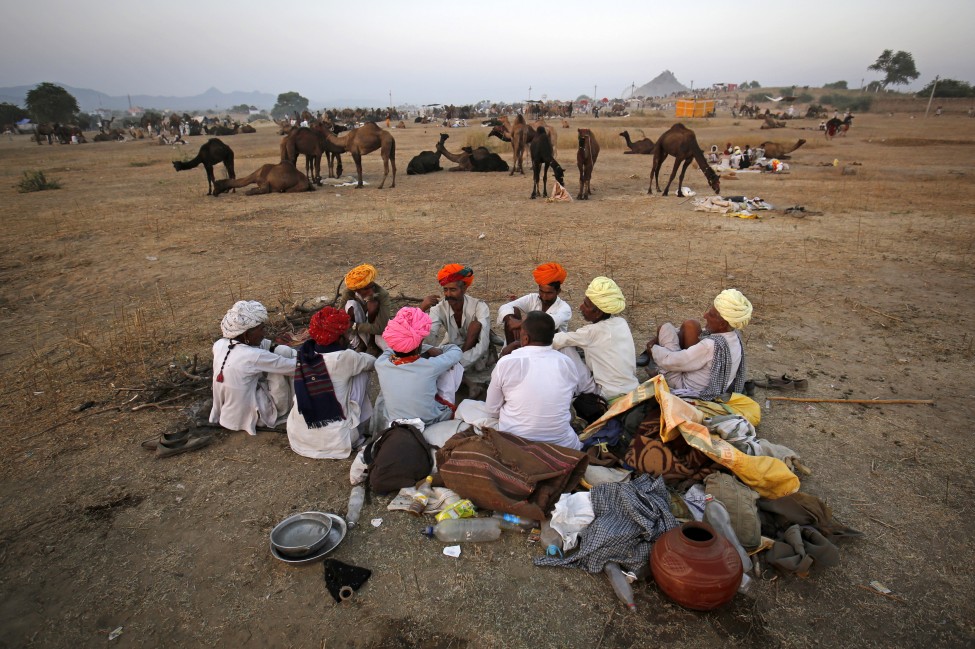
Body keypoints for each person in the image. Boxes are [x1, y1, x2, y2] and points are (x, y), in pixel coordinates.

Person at [456, 312, 584, 449]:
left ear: (526, 338)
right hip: (563, 443)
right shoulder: (567, 362)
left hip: (514, 440)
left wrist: (503, 356)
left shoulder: (508, 362)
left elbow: (492, 409)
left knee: (465, 406)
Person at [286, 307, 376, 459]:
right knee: (361, 372)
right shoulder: (345, 357)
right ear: (340, 338)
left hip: (299, 438)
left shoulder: (305, 352)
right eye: (347, 334)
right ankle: (359, 433)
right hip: (337, 441)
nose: (349, 338)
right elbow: (372, 363)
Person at [639, 289, 752, 400]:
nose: (705, 315)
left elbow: (673, 361)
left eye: (711, 315)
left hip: (686, 388)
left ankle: (658, 373)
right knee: (691, 325)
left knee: (665, 328)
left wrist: (653, 349)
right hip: (710, 384)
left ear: (722, 324)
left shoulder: (710, 346)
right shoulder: (734, 336)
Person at [209, 301, 297, 435]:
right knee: (286, 359)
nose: (264, 333)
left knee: (282, 352)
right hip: (252, 417)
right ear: (245, 334)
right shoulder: (253, 356)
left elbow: (266, 347)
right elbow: (295, 368)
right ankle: (289, 408)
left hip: (228, 416)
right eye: (261, 329)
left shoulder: (220, 344)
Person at [551, 277, 639, 403]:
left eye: (586, 305)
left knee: (565, 346)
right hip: (632, 388)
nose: (581, 307)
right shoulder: (621, 323)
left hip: (605, 395)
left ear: (597, 312)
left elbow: (556, 340)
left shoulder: (591, 332)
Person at [374, 307, 464, 427]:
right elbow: (456, 351)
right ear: (419, 344)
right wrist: (433, 348)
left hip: (394, 420)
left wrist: (419, 343)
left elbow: (391, 349)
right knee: (454, 367)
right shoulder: (430, 366)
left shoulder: (381, 363)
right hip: (430, 421)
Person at [421, 264, 492, 374]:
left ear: (464, 288)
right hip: (451, 348)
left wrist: (458, 362)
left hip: (474, 352)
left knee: (476, 325)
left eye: (453, 289)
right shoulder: (438, 309)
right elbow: (430, 338)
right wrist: (421, 311)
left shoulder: (480, 307)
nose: (448, 294)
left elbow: (482, 345)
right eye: (445, 290)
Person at [497, 262, 573, 349]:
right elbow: (505, 307)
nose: (544, 296)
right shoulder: (533, 298)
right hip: (527, 342)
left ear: (558, 291)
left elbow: (549, 321)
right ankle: (512, 353)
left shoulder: (564, 308)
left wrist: (520, 323)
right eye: (541, 291)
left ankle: (515, 348)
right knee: (513, 311)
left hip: (550, 348)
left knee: (546, 328)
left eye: (549, 293)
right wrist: (510, 320)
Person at [341, 263, 391, 355]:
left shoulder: (382, 295)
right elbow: (339, 317)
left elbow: (380, 328)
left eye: (372, 286)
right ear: (357, 290)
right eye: (367, 288)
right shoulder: (349, 293)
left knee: (373, 307)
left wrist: (354, 325)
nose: (372, 291)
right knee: (351, 305)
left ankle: (372, 344)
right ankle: (360, 343)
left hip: (374, 331)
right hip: (359, 329)